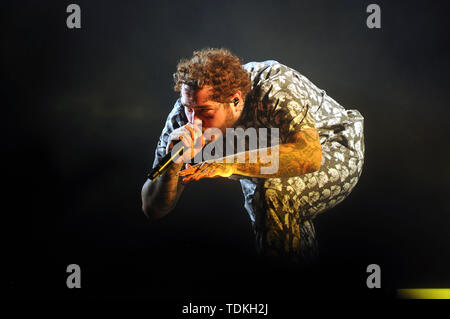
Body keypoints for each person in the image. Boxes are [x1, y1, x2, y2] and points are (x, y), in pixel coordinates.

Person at [141, 48, 364, 263]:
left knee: (273, 195)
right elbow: (153, 208)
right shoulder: (183, 117)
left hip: (333, 145)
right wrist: (172, 168)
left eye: (205, 112)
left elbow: (309, 155)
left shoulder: (273, 85)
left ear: (236, 100)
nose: (194, 122)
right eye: (188, 108)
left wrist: (229, 163)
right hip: (260, 168)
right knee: (270, 217)